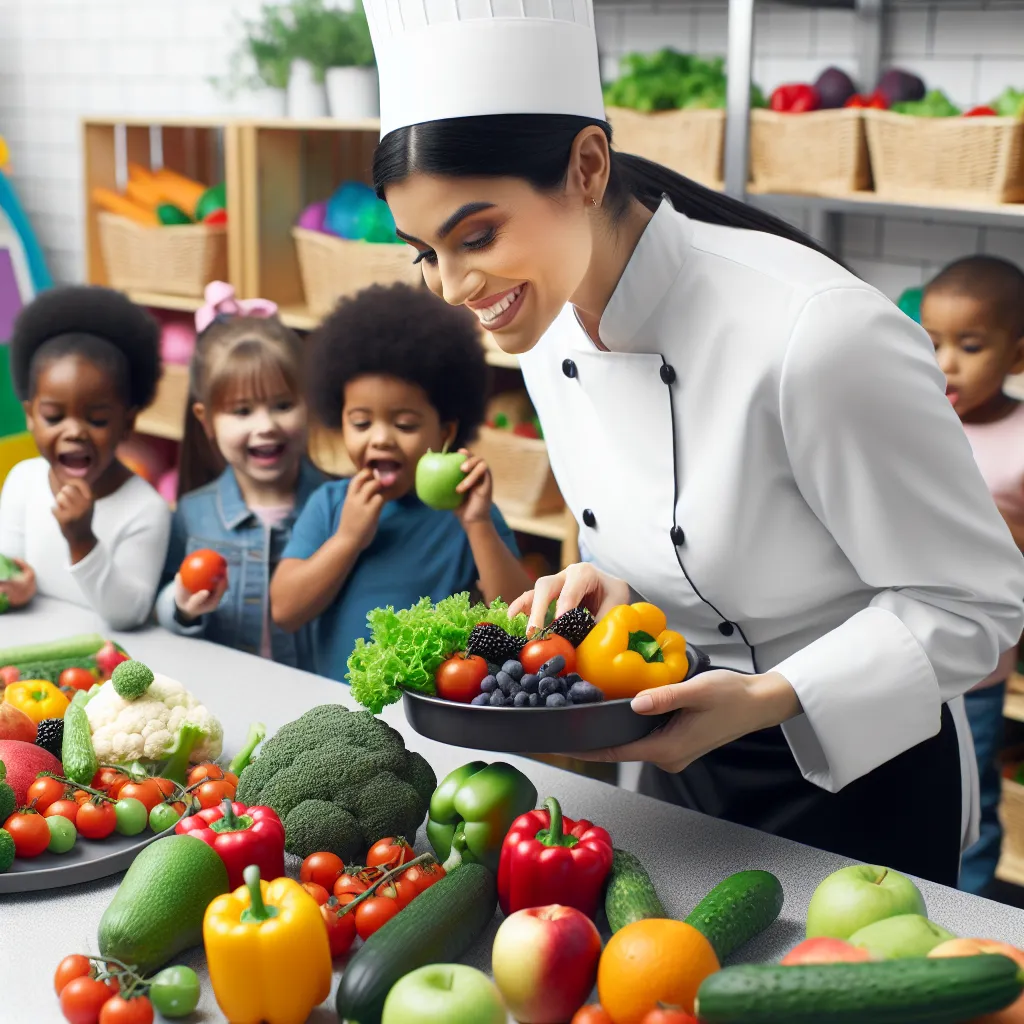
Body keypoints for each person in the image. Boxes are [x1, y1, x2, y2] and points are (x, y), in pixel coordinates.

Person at [362, 0, 1024, 885]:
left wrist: (767, 697)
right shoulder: (546, 322)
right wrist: (614, 579)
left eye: (475, 236)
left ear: (588, 167)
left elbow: (976, 607)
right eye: (423, 253)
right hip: (674, 755)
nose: (451, 287)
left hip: (860, 781)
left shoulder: (815, 335)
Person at [270, 282, 532, 683]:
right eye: (361, 422)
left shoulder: (467, 511)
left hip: (431, 715)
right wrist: (347, 539)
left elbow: (520, 618)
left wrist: (477, 525)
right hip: (339, 709)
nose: (380, 438)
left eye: (405, 424)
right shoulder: (330, 504)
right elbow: (285, 611)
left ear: (445, 430)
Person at [921, 255, 1024, 895]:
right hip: (900, 648)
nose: (945, 364)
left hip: (980, 665)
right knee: (914, 789)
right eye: (930, 343)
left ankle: (976, 915)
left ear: (1016, 356)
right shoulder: (920, 421)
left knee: (973, 800)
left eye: (969, 346)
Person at [154, 282, 326, 667]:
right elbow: (162, 602)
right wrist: (182, 605)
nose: (265, 426)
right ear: (207, 420)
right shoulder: (193, 512)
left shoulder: (336, 506)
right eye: (242, 411)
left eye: (282, 405)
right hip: (227, 695)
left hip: (316, 701)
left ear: (309, 404)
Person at [0, 285, 170, 629]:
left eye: (97, 420)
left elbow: (129, 615)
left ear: (128, 423)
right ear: (30, 416)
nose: (74, 431)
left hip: (107, 663)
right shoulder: (23, 480)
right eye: (53, 417)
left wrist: (82, 540)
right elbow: (9, 563)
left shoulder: (146, 509)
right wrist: (13, 585)